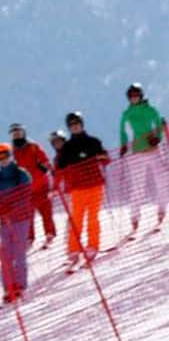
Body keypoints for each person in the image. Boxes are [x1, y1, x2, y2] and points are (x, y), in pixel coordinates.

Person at [56, 112, 111, 267]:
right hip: (78, 187)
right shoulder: (67, 147)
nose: (75, 126)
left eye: (77, 123)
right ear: (68, 128)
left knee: (93, 217)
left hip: (95, 184)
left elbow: (105, 158)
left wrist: (102, 157)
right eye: (71, 125)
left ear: (82, 124)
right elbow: (60, 167)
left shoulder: (93, 141)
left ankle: (92, 245)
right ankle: (74, 249)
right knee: (77, 219)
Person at [119, 83, 167, 232]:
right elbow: (122, 131)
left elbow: (158, 125)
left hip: (153, 150)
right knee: (137, 187)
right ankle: (134, 219)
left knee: (162, 182)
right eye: (131, 96)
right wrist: (123, 145)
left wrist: (157, 138)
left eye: (136, 95)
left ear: (141, 96)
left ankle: (162, 211)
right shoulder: (127, 113)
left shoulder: (150, 110)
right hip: (137, 153)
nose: (134, 98)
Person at [0, 143, 33, 303]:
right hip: (4, 221)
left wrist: (11, 209)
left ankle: (20, 286)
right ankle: (8, 288)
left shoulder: (21, 173)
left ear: (10, 155)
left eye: (5, 155)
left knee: (19, 253)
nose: (3, 159)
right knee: (6, 255)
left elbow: (25, 195)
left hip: (20, 218)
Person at [10, 123, 56, 249]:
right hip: (25, 189)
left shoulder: (33, 147)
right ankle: (29, 238)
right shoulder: (12, 151)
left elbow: (45, 160)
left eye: (18, 132)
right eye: (14, 133)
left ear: (23, 133)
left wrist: (47, 167)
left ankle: (50, 234)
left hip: (41, 185)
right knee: (27, 215)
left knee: (46, 212)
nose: (16, 134)